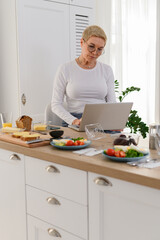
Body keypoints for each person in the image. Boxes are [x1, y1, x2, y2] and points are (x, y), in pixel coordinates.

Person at [51, 25, 116, 127]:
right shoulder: (65, 69)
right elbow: (55, 104)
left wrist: (114, 122)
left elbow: (112, 102)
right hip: (75, 120)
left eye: (100, 49)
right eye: (91, 46)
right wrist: (74, 121)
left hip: (101, 121)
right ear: (82, 42)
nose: (95, 52)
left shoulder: (106, 70)